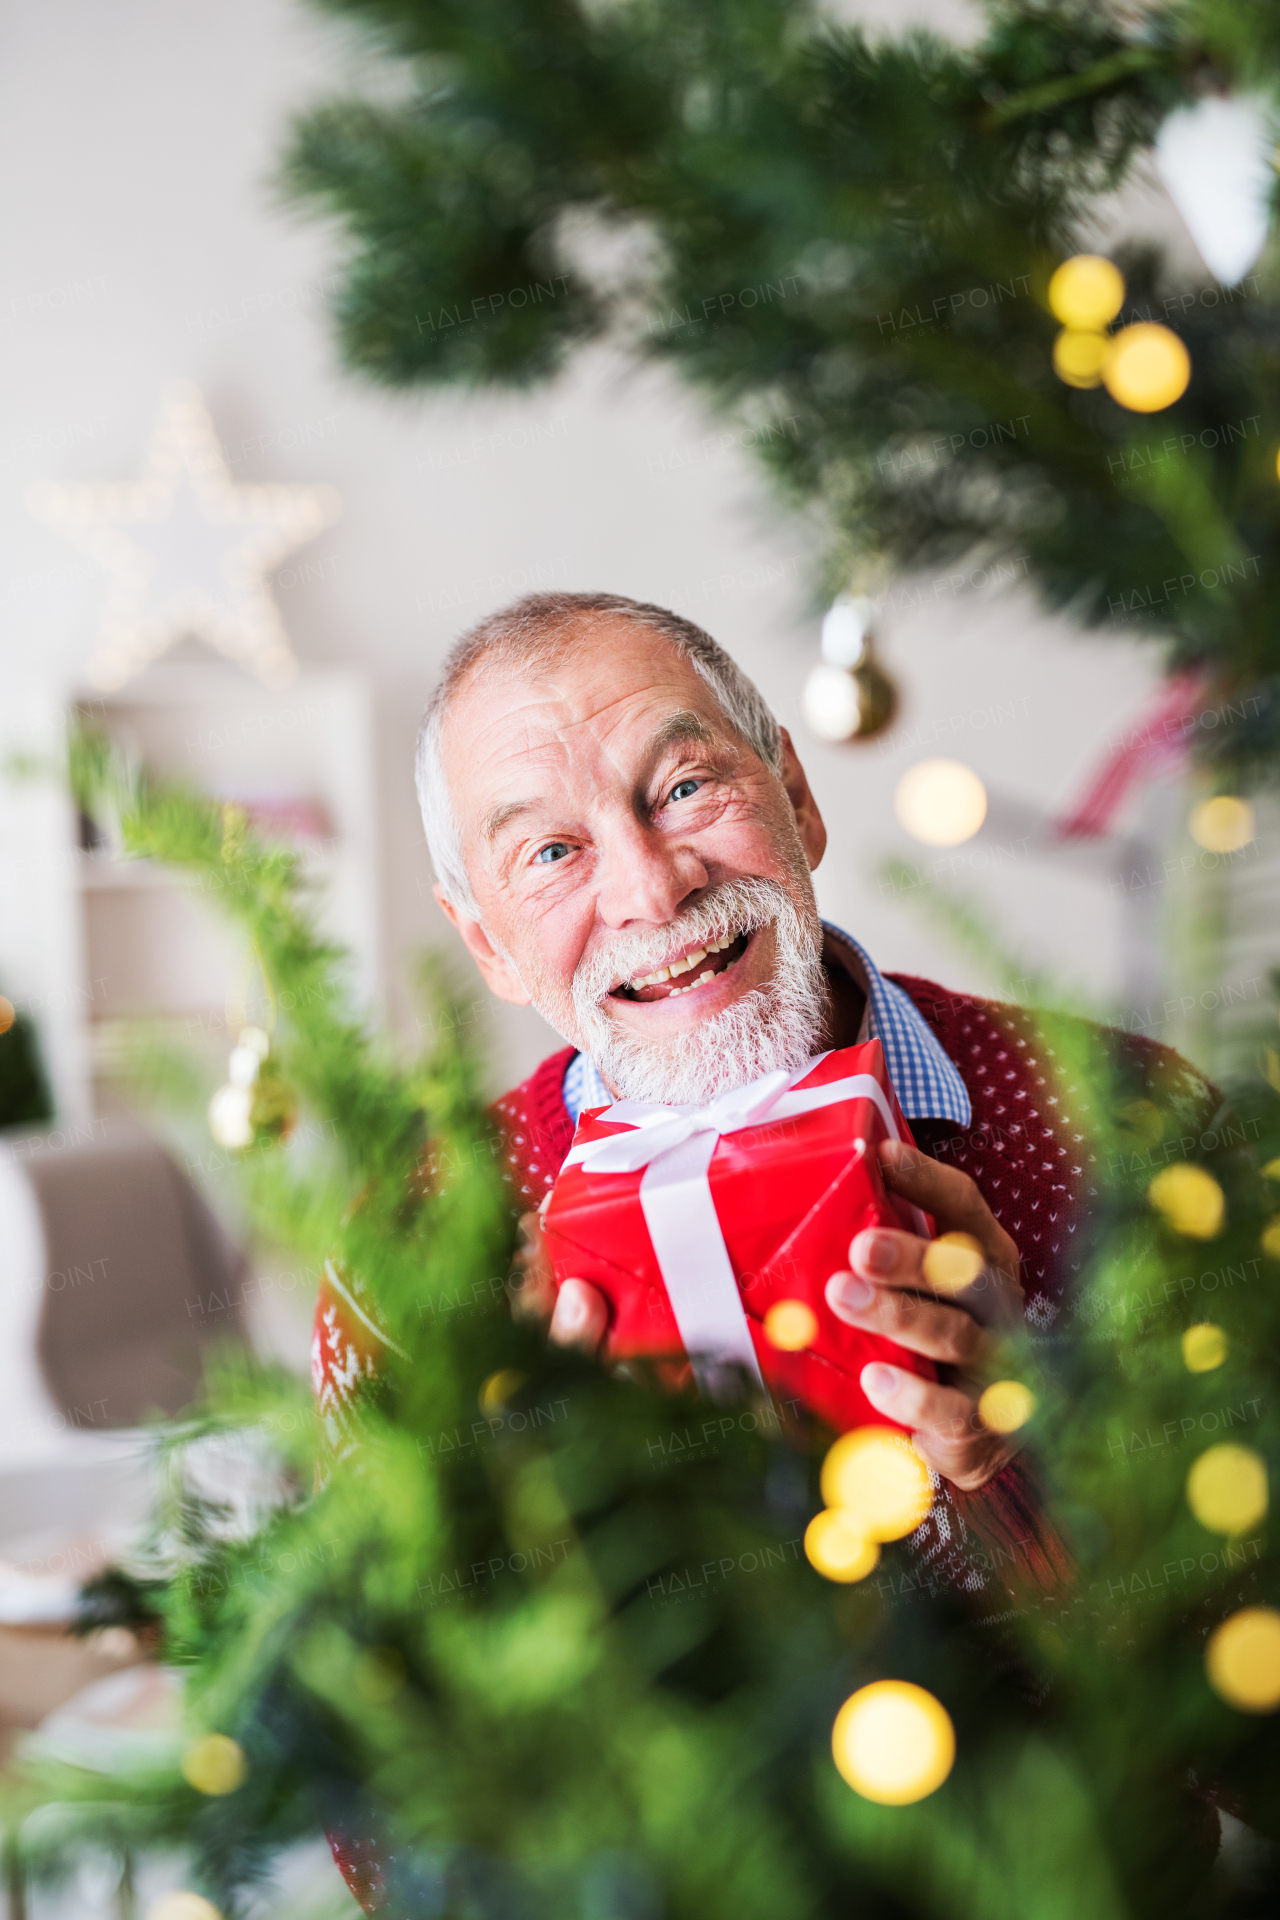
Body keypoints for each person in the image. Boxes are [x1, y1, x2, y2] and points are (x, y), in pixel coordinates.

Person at [313, 589, 1215, 1581]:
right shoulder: (407, 1244)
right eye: (553, 853)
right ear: (488, 945)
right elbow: (373, 1698)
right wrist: (532, 1558)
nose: (652, 890)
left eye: (684, 787)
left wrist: (1030, 1463)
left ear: (795, 795)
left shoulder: (1135, 1124)